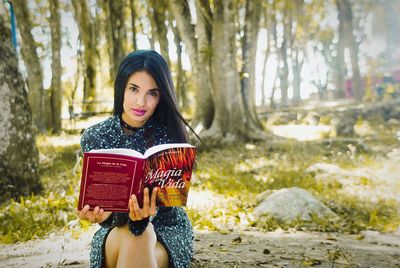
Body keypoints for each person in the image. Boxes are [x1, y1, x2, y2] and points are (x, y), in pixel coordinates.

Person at [78, 50, 193, 268]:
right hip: (116, 232)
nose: (141, 102)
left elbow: (172, 201)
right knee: (136, 235)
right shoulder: (95, 136)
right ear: (121, 87)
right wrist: (101, 215)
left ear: (162, 96)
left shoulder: (170, 137)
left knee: (142, 234)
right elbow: (104, 208)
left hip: (167, 232)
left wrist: (145, 217)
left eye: (153, 93)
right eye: (134, 89)